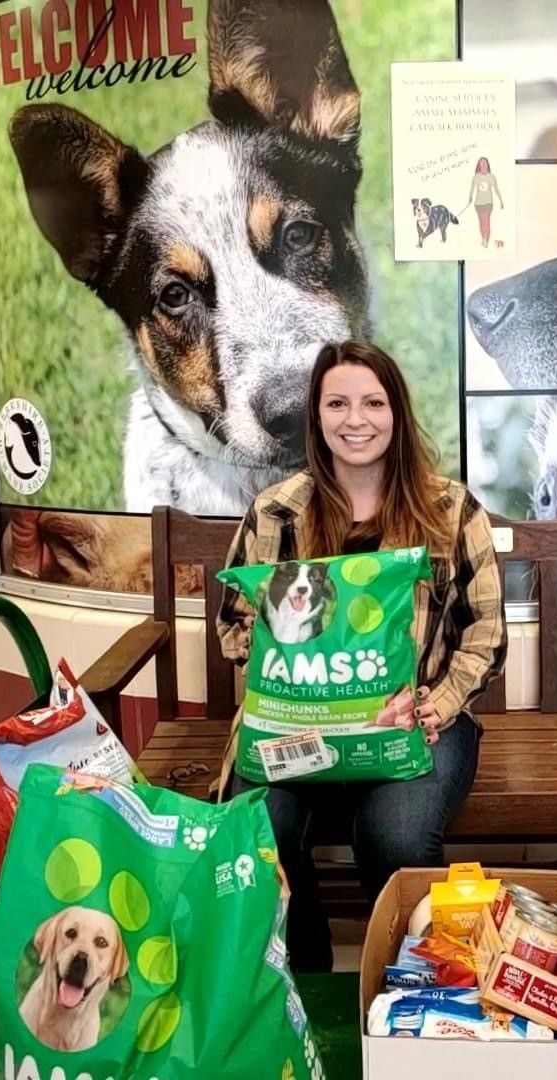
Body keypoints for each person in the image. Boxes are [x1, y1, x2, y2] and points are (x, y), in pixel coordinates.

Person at [218, 340, 507, 972]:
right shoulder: (276, 513)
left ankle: (408, 983)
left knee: (395, 838)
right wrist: (272, 637)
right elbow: (233, 629)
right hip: (301, 729)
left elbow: (486, 628)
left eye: (373, 403)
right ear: (315, 417)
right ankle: (308, 983)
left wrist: (441, 704)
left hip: (417, 722)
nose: (357, 420)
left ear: (397, 413)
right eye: (338, 403)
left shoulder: (451, 510)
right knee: (260, 827)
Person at [467, 157, 504, 248]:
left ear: (487, 165)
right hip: (478, 203)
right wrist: (470, 198)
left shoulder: (491, 177)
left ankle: (486, 240)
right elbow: (472, 189)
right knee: (481, 223)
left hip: (488, 203)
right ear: (479, 166)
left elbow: (496, 189)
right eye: (481, 163)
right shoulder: (476, 177)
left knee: (486, 222)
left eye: (485, 163)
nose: (483, 165)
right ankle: (483, 238)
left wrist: (501, 200)